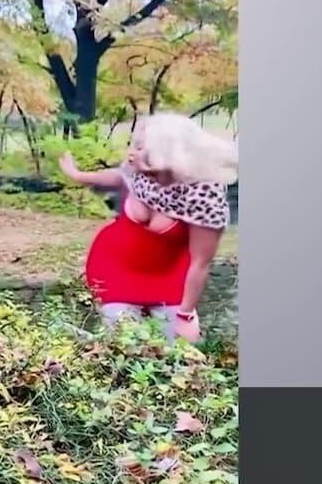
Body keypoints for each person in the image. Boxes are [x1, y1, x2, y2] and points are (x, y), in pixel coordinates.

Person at [59, 113, 237, 343]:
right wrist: (79, 176)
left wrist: (185, 315)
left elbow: (200, 263)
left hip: (169, 277)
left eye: (141, 148)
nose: (131, 154)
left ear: (167, 152)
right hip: (115, 268)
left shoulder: (203, 198)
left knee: (182, 349)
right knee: (125, 346)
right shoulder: (141, 173)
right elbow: (119, 177)